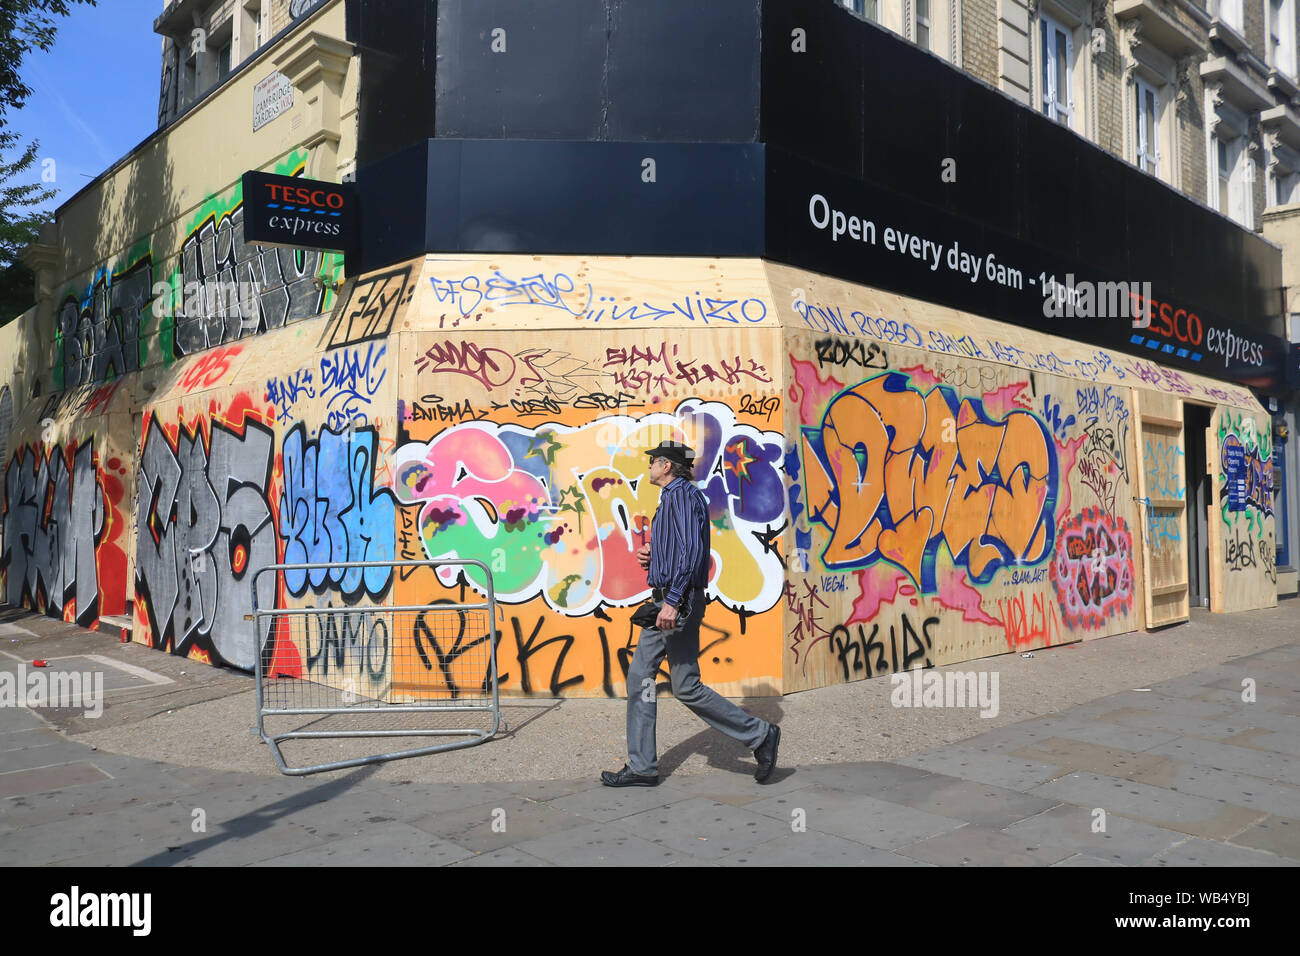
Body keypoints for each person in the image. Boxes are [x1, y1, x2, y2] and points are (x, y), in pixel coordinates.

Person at [601, 440, 780, 787]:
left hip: (675, 602)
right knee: (657, 681)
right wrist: (653, 553)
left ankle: (759, 735)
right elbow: (680, 548)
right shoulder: (673, 497)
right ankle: (644, 767)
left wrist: (673, 600)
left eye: (653, 461)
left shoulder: (681, 495)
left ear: (666, 466)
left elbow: (692, 552)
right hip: (668, 599)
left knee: (669, 683)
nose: (650, 465)